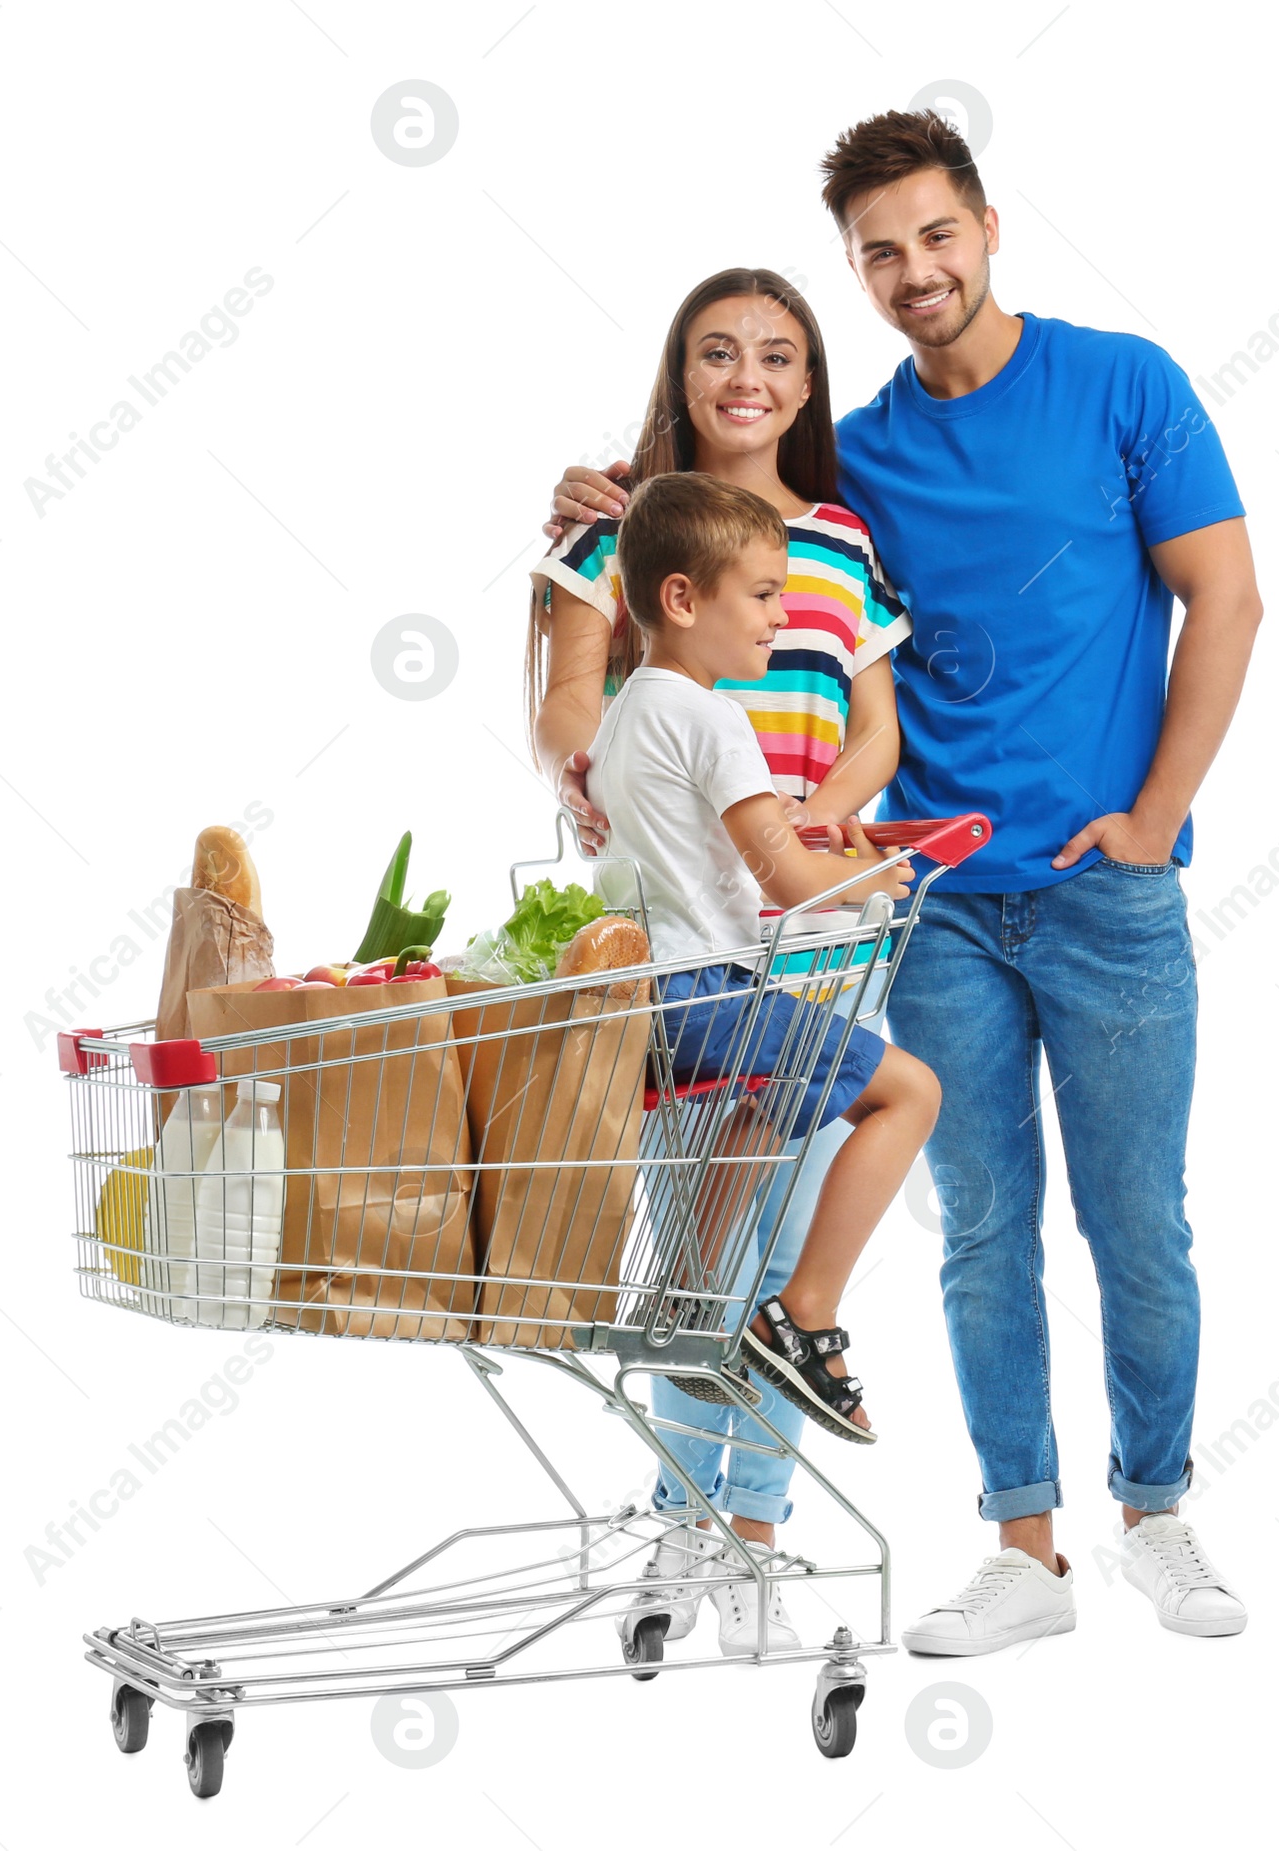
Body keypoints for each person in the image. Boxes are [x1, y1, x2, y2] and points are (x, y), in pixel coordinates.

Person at [543, 111, 1264, 1650]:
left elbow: (1228, 595)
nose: (914, 270)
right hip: (918, 913)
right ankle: (1025, 1549)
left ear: (987, 226)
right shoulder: (854, 463)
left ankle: (1159, 1512)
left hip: (1099, 892)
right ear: (857, 272)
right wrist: (604, 500)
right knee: (982, 1226)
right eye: (881, 251)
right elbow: (713, 521)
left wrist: (1154, 814)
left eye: (935, 235)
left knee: (1139, 1217)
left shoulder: (1122, 384)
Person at [526, 269, 912, 1657]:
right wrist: (588, 762)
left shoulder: (846, 540)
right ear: (681, 371)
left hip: (822, 929)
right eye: (716, 352)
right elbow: (570, 689)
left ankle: (741, 1530)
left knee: (778, 1236)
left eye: (778, 355)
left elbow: (872, 721)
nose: (746, 376)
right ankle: (694, 1519)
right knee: (705, 1242)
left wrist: (825, 821)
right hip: (688, 932)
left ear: (810, 386)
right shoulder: (621, 515)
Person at [584, 469, 940, 1626]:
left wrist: (829, 859)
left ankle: (699, 1291)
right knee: (907, 1094)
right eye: (764, 599)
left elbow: (721, 861)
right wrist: (882, 877)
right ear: (683, 599)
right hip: (707, 991)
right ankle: (806, 1313)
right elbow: (784, 880)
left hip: (651, 1005)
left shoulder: (634, 706)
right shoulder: (715, 716)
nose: (782, 622)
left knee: (763, 1108)